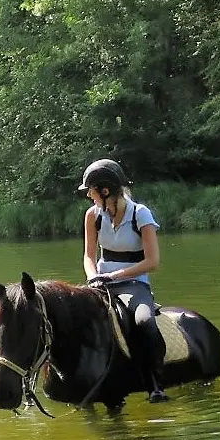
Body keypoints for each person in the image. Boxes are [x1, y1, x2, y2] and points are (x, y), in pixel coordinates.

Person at [79, 158, 168, 402]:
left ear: (105, 190)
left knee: (144, 322)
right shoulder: (92, 215)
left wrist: (114, 275)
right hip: (100, 284)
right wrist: (93, 277)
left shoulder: (141, 214)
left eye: (91, 190)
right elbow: (88, 255)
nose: (89, 195)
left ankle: (156, 385)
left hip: (134, 284)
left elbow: (153, 262)